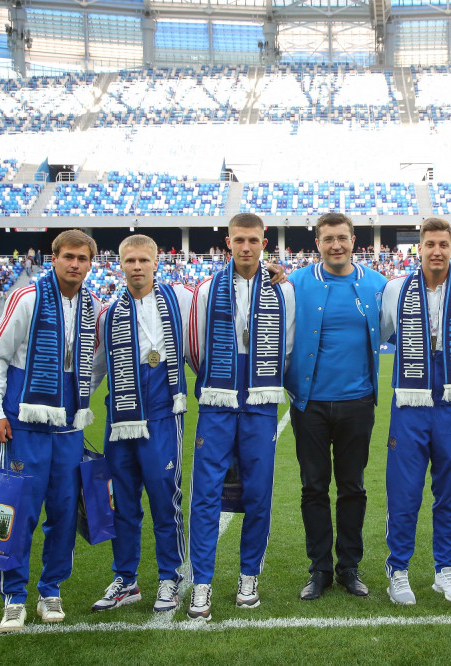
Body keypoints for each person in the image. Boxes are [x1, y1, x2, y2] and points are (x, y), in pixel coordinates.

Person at [0, 229, 103, 633]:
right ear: (54, 258)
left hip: (68, 427)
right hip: (23, 425)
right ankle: (14, 597)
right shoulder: (28, 297)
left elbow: (94, 363)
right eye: (69, 256)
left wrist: (82, 396)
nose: (75, 264)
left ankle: (51, 589)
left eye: (82, 258)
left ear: (90, 264)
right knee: (18, 512)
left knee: (65, 513)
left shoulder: (92, 305)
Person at [186, 213, 295, 621]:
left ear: (264, 243)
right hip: (218, 399)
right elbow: (195, 349)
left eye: (253, 240)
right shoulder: (205, 289)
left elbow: (287, 346)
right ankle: (202, 582)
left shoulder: (284, 289)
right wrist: (223, 378)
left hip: (261, 401)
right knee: (205, 494)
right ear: (227, 243)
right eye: (238, 240)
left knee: (258, 493)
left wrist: (260, 377)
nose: (245, 247)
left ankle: (249, 575)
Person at [380, 217, 451, 606]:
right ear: (419, 248)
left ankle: (445, 568)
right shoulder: (395, 288)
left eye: (444, 244)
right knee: (404, 489)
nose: (437, 251)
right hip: (411, 397)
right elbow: (382, 332)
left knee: (450, 489)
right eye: (430, 244)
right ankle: (399, 570)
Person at [285, 212, 387, 600]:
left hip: (357, 404)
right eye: (328, 239)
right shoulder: (295, 282)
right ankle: (320, 569)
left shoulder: (377, 284)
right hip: (309, 404)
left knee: (352, 488)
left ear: (353, 240)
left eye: (342, 238)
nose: (336, 245)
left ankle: (349, 567)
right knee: (313, 488)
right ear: (318, 244)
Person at [89, 234, 193, 614]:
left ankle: (169, 576)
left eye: (143, 260)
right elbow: (96, 367)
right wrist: (73, 406)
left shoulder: (180, 299)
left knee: (165, 499)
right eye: (129, 261)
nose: (137, 267)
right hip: (121, 418)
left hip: (163, 412)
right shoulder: (108, 314)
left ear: (155, 263)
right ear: (120, 265)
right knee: (122, 502)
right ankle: (126, 579)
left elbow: (221, 294)